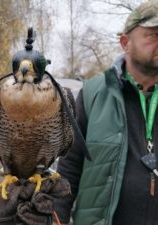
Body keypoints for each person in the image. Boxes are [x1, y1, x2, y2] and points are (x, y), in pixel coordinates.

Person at [55, 1, 158, 225]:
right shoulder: (92, 95)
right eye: (154, 35)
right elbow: (68, 169)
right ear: (125, 43)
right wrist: (56, 219)